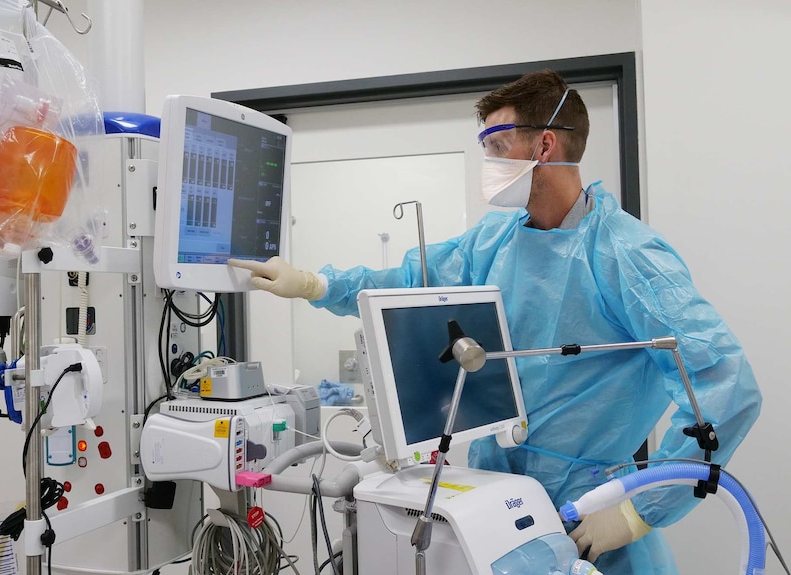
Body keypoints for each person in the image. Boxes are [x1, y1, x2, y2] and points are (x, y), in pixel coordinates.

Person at [228, 69, 761, 575]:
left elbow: (725, 385)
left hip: (590, 514)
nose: (487, 161)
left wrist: (636, 512)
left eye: (496, 147)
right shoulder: (496, 241)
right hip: (495, 502)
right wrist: (314, 285)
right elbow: (409, 280)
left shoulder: (626, 255)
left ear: (545, 146)